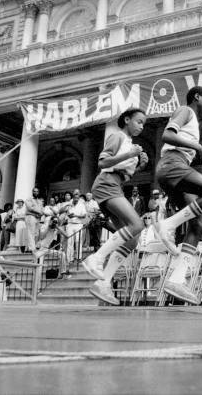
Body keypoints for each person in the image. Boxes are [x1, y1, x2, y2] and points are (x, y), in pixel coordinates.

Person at [153, 85, 202, 304]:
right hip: (172, 164)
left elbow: (184, 146)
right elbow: (167, 135)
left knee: (200, 224)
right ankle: (169, 224)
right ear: (197, 97)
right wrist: (197, 146)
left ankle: (177, 279)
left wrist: (200, 152)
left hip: (175, 166)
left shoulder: (194, 121)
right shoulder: (186, 110)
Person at [82, 108, 148, 305]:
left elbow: (124, 172)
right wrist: (130, 153)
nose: (141, 126)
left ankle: (104, 283)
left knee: (131, 242)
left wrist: (139, 166)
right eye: (138, 121)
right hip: (106, 183)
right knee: (137, 225)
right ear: (127, 119)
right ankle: (97, 258)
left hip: (116, 184)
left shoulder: (129, 143)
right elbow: (103, 162)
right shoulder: (117, 136)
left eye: (143, 123)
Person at [25, 187, 44, 258]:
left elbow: (42, 208)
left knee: (36, 233)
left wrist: (41, 213)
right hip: (30, 217)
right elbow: (30, 208)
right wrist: (38, 211)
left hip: (37, 218)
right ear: (32, 192)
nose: (36, 193)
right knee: (31, 232)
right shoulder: (29, 199)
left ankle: (32, 247)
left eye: (37, 191)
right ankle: (32, 248)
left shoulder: (39, 201)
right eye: (34, 191)